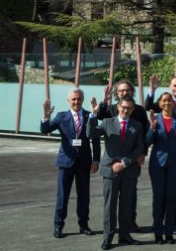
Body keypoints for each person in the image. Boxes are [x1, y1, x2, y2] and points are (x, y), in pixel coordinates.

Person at [41, 88, 101, 239]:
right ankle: (58, 226)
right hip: (66, 162)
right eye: (73, 99)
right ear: (68, 101)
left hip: (84, 163)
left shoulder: (90, 116)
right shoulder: (61, 116)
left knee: (84, 196)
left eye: (79, 99)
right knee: (63, 196)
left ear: (82, 100)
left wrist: (96, 160)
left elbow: (95, 140)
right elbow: (45, 130)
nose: (76, 102)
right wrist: (46, 116)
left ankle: (84, 225)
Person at [87, 96, 144, 250]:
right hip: (110, 170)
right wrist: (93, 114)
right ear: (118, 107)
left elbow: (139, 148)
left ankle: (125, 236)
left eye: (129, 108)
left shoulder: (137, 126)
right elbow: (91, 133)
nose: (126, 110)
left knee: (126, 206)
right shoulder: (107, 122)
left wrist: (125, 162)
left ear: (133, 110)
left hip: (128, 171)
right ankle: (108, 238)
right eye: (124, 107)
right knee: (109, 206)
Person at [96, 79, 149, 232]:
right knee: (111, 200)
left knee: (130, 195)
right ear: (116, 94)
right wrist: (103, 101)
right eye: (121, 91)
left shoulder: (138, 110)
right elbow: (99, 117)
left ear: (132, 92)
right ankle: (111, 231)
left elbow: (144, 133)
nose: (124, 93)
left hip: (132, 158)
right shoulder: (111, 108)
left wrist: (142, 153)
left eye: (127, 90)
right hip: (112, 160)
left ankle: (130, 222)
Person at [145, 75, 176, 230]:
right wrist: (152, 90)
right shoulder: (157, 113)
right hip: (159, 162)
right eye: (174, 85)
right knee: (159, 196)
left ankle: (174, 222)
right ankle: (159, 224)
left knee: (175, 195)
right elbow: (148, 107)